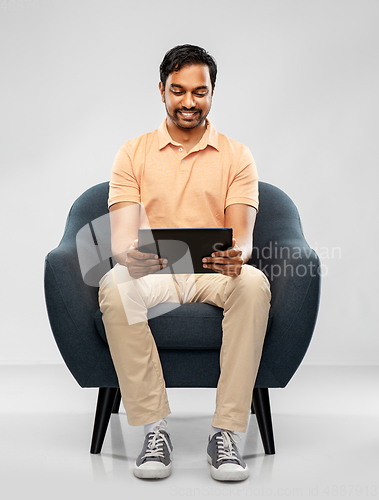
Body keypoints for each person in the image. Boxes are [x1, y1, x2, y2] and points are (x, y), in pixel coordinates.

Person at [98, 44, 271, 482]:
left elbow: (243, 235)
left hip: (213, 273)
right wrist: (127, 256)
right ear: (161, 91)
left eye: (200, 91)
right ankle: (155, 429)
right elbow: (121, 238)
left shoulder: (237, 156)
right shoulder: (132, 153)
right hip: (155, 273)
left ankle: (227, 433)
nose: (189, 102)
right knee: (116, 283)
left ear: (212, 93)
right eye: (178, 91)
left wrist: (240, 255)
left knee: (252, 283)